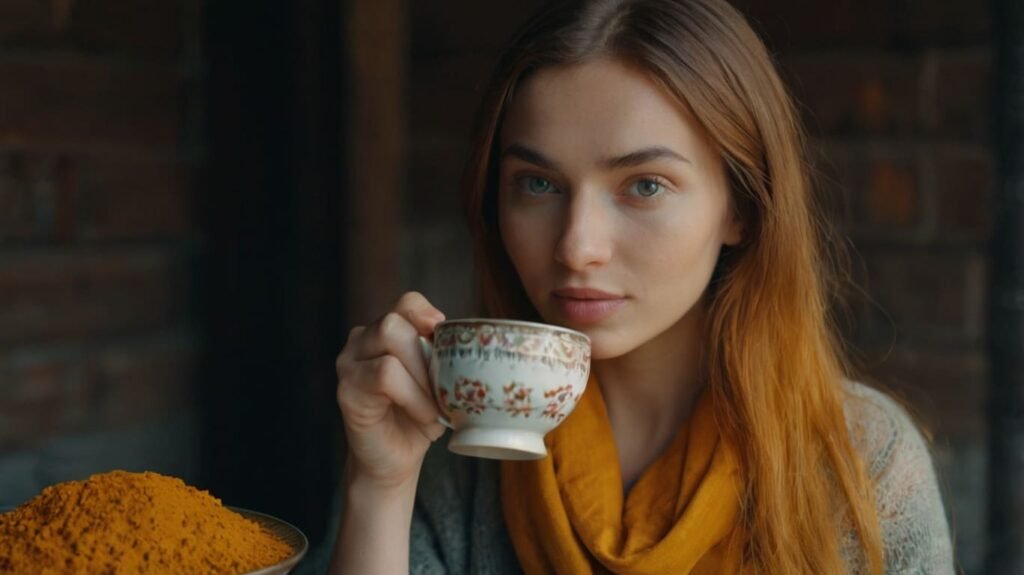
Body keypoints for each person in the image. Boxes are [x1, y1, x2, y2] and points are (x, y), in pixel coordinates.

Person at [302, 0, 955, 573]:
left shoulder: (861, 463)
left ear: (742, 208)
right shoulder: (447, 447)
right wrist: (381, 484)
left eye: (644, 185)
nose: (577, 246)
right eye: (537, 183)